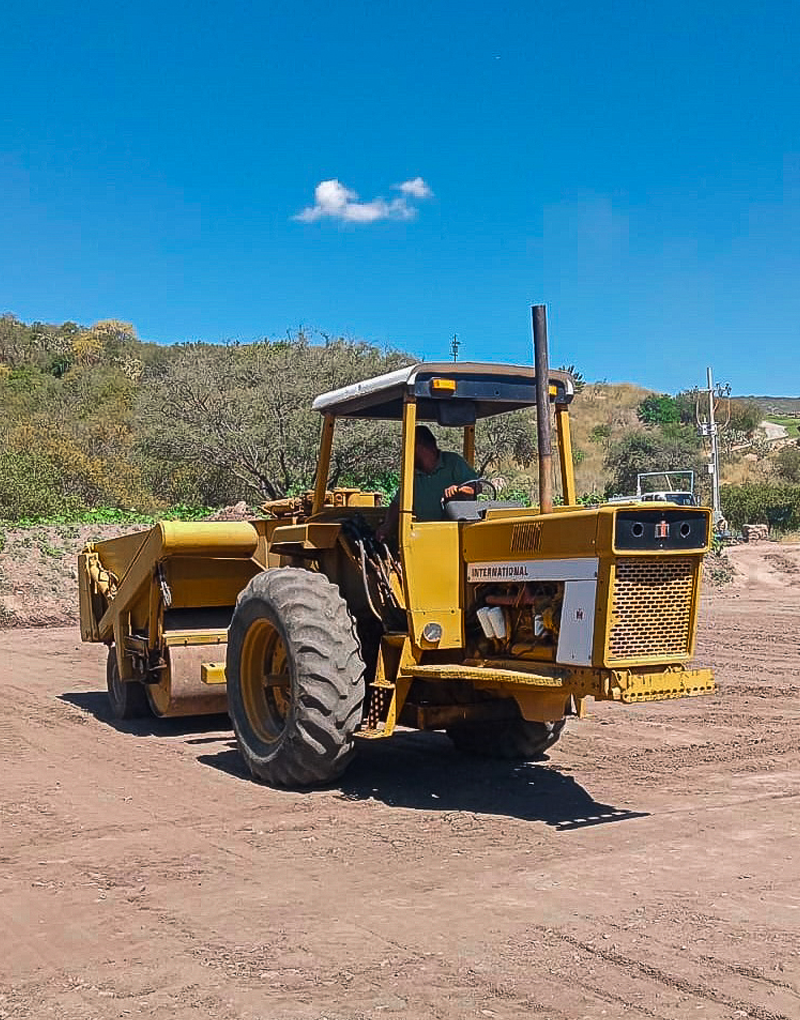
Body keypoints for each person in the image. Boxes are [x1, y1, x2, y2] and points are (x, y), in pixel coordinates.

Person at [375, 425, 476, 541]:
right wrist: (387, 525)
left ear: (421, 447)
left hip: (456, 536)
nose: (406, 454)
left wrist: (460, 489)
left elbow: (476, 488)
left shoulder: (453, 462)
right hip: (426, 536)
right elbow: (398, 503)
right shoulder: (413, 474)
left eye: (409, 448)